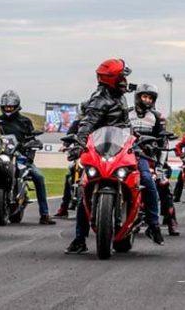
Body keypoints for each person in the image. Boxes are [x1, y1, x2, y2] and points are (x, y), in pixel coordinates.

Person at [65, 58, 135, 254]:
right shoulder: (99, 100)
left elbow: (123, 124)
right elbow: (87, 123)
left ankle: (154, 224)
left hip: (121, 146)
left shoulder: (120, 94)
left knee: (145, 179)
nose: (125, 81)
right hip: (101, 148)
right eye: (122, 77)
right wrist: (79, 143)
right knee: (83, 190)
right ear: (112, 79)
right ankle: (79, 238)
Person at [0, 90, 57, 225]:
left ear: (17, 106)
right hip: (3, 156)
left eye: (11, 106)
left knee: (39, 177)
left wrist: (32, 148)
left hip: (21, 157)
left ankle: (45, 214)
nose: (8, 109)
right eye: (6, 107)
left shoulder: (25, 122)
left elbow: (32, 138)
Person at [129, 84, 167, 244]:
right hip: (122, 154)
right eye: (145, 96)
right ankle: (80, 235)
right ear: (138, 97)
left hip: (143, 156)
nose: (147, 100)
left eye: (150, 98)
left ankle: (154, 225)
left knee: (148, 181)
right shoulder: (125, 114)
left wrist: (159, 166)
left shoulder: (157, 117)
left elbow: (162, 142)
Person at [54, 117, 81, 218]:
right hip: (81, 153)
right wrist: (65, 145)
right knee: (71, 172)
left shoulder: (104, 123)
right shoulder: (78, 123)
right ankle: (64, 208)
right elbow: (70, 135)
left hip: (98, 155)